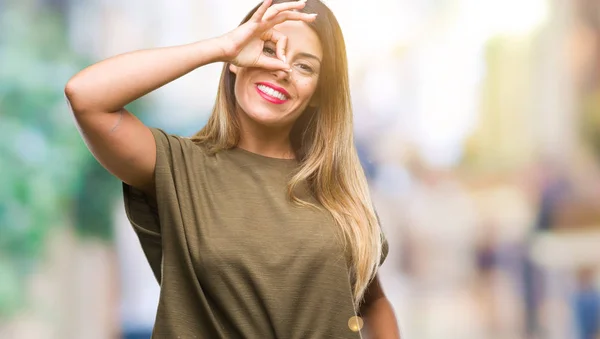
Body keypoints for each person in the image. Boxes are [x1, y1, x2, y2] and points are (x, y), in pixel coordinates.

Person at [65, 0, 400, 337]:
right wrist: (221, 47)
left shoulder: (335, 191)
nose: (283, 69)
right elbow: (85, 95)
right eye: (269, 49)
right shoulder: (179, 166)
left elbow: (372, 302)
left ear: (316, 93)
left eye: (305, 67)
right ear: (237, 61)